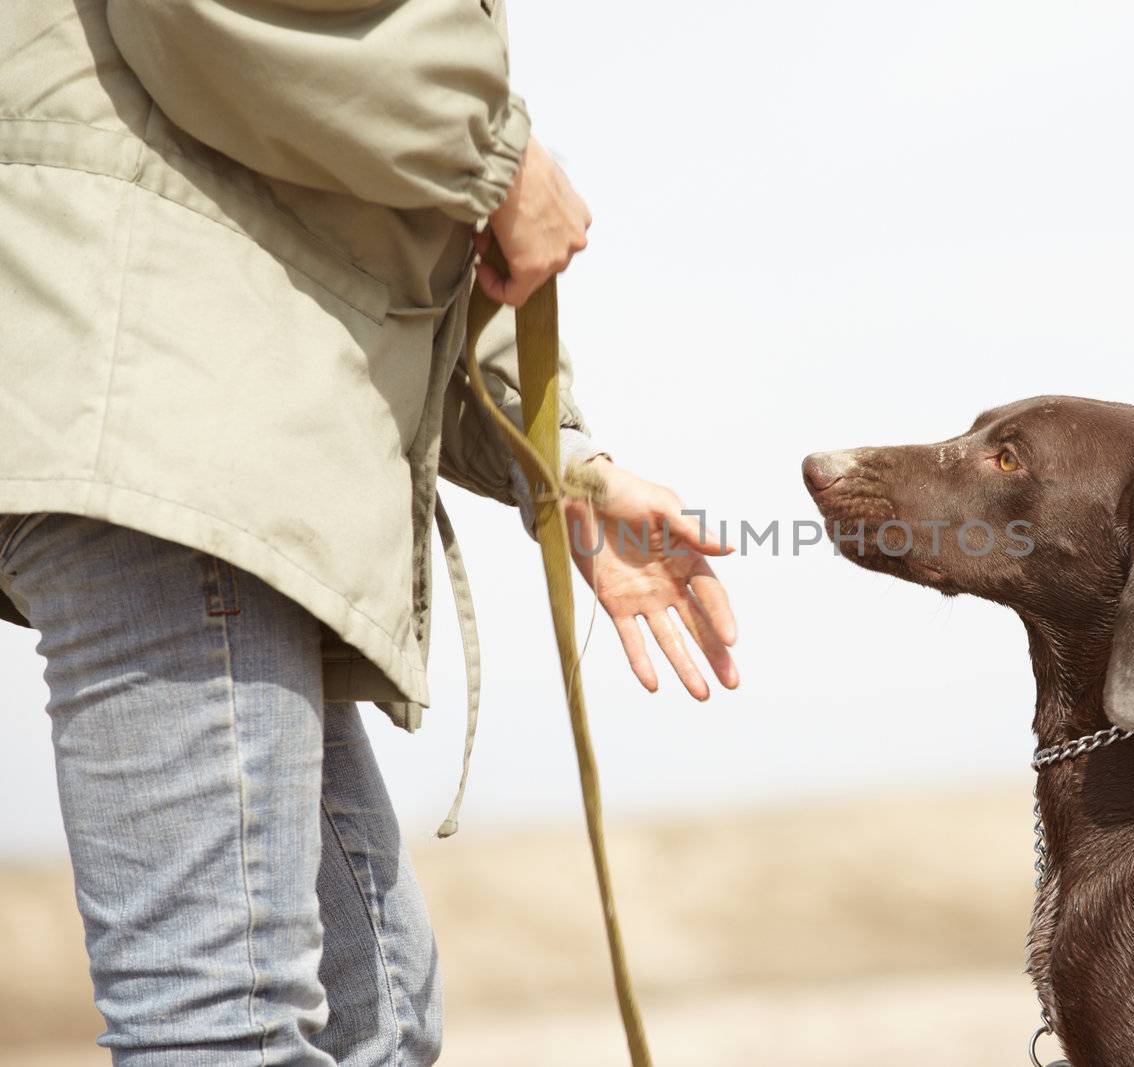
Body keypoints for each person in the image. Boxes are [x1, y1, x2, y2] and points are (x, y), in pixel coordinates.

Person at [0, 1, 737, 1062]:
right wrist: (497, 153)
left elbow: (354, 214)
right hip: (179, 411)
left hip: (223, 416)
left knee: (375, 1020)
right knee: (226, 1024)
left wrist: (564, 465)